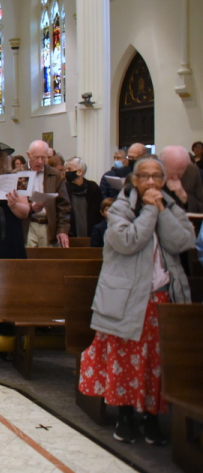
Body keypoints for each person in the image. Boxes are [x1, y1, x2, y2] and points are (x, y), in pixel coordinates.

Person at [79, 155, 195, 445]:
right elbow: (127, 241)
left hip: (162, 299)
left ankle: (152, 417)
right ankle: (126, 416)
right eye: (145, 176)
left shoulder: (169, 206)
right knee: (126, 360)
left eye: (158, 176)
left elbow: (182, 242)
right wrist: (150, 213)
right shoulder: (119, 208)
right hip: (128, 300)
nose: (152, 182)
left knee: (156, 362)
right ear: (133, 179)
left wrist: (162, 210)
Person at [24, 140, 71, 248]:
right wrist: (31, 207)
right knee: (27, 262)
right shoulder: (19, 173)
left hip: (48, 226)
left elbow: (64, 205)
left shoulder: (55, 175)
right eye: (36, 157)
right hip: (27, 225)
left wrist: (62, 230)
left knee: (47, 262)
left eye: (44, 157)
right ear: (28, 155)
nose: (40, 161)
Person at [64, 157, 103, 238]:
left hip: (91, 232)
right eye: (66, 170)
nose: (67, 172)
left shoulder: (93, 188)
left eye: (69, 169)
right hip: (70, 233)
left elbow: (99, 212)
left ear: (80, 172)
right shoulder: (64, 188)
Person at [159, 145, 203, 213]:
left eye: (180, 174)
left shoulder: (192, 171)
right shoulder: (151, 173)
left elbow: (201, 207)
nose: (175, 178)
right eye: (171, 174)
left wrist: (184, 197)